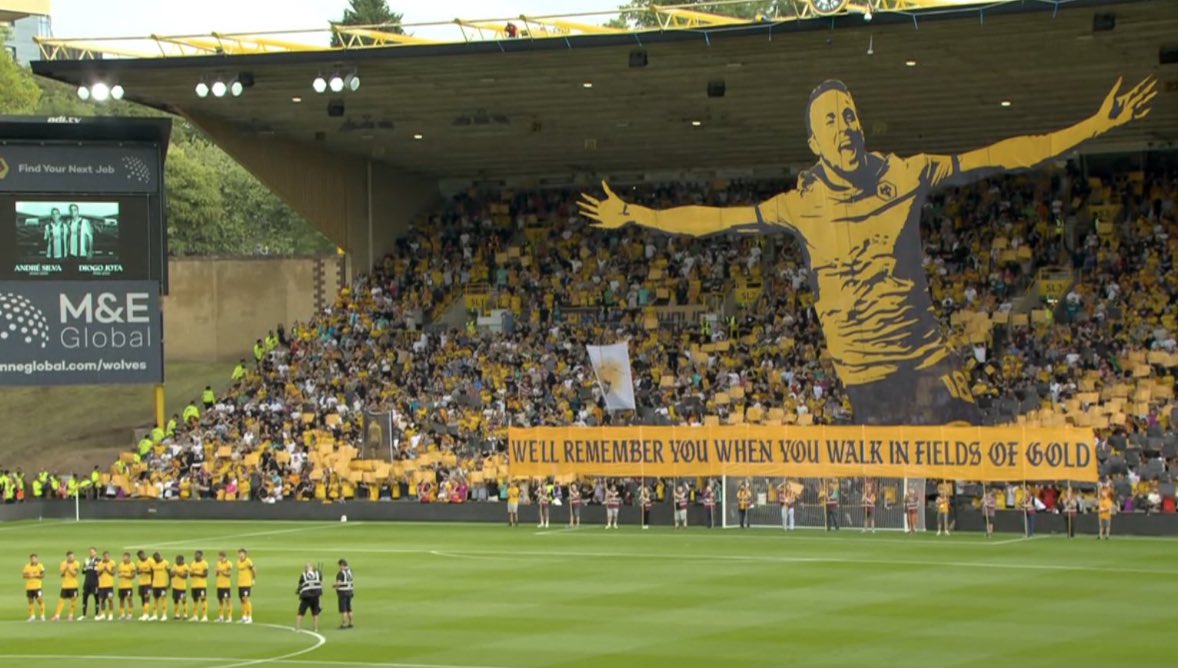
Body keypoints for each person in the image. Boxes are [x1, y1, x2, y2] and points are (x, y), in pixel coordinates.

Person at [579, 76, 1156, 426]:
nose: (845, 126)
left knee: (964, 451)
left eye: (849, 114)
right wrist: (635, 213)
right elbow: (713, 220)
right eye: (831, 120)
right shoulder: (799, 205)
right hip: (864, 377)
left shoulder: (906, 174)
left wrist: (1093, 127)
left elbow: (1000, 155)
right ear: (815, 142)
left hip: (925, 361)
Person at [51, 550, 80, 622]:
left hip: (74, 586)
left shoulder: (76, 563)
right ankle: (57, 616)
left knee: (73, 601)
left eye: (72, 556)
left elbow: (75, 574)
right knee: (61, 601)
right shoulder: (63, 563)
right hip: (65, 585)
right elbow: (61, 575)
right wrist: (65, 569)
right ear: (67, 557)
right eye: (70, 557)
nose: (71, 558)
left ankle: (70, 615)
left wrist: (69, 568)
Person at [295, 562, 323, 633]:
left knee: (301, 612)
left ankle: (298, 628)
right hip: (316, 596)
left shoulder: (304, 575)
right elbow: (320, 581)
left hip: (306, 596)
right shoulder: (317, 574)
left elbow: (301, 584)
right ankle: (316, 628)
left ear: (306, 568)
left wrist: (298, 591)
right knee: (315, 613)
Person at [22, 553, 46, 622]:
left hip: (37, 587)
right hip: (29, 587)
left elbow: (43, 575)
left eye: (35, 558)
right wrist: (28, 576)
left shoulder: (40, 566)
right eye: (32, 559)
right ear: (30, 559)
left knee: (39, 600)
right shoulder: (27, 566)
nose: (33, 560)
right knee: (30, 601)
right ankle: (32, 616)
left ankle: (42, 615)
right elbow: (23, 575)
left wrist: (35, 575)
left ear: (37, 559)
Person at [332, 559, 354, 629]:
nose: (339, 567)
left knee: (343, 609)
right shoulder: (350, 571)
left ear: (342, 565)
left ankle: (344, 624)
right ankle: (351, 623)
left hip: (343, 592)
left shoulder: (341, 573)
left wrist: (334, 585)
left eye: (339, 565)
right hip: (350, 591)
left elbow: (338, 583)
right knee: (349, 608)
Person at [79, 547, 99, 621]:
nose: (91, 553)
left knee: (96, 598)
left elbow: (99, 571)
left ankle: (96, 615)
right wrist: (86, 566)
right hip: (87, 582)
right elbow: (83, 572)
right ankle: (84, 615)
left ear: (95, 552)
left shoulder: (99, 561)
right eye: (90, 552)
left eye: (92, 552)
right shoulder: (87, 561)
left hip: (95, 583)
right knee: (84, 598)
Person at [190, 550, 210, 622]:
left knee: (203, 600)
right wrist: (195, 573)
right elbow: (191, 574)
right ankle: (195, 616)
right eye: (195, 555)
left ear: (201, 556)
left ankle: (205, 616)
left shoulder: (204, 563)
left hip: (201, 585)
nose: (196, 556)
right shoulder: (193, 563)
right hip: (194, 585)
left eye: (197, 555)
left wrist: (195, 573)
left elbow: (205, 575)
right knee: (195, 600)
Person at [237, 548, 256, 624]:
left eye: (242, 554)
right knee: (242, 600)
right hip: (240, 584)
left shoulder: (248, 561)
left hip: (246, 583)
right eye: (239, 554)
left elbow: (253, 569)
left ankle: (250, 617)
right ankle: (244, 616)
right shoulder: (238, 562)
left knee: (246, 599)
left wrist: (253, 579)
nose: (240, 555)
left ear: (245, 554)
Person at [214, 551, 234, 623]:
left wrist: (221, 571)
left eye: (220, 556)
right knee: (220, 601)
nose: (219, 557)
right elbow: (216, 575)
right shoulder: (218, 563)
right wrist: (216, 571)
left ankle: (229, 617)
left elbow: (229, 574)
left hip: (226, 585)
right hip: (219, 585)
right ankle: (221, 617)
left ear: (223, 556)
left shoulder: (229, 564)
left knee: (228, 601)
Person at [96, 550, 116, 620]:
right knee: (102, 600)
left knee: (110, 599)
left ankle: (111, 614)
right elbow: (97, 574)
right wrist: (102, 570)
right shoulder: (100, 563)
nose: (106, 557)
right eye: (105, 556)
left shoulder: (112, 563)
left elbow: (113, 573)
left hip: (109, 585)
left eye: (107, 556)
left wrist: (107, 569)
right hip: (101, 585)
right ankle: (103, 614)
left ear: (109, 556)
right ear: (103, 557)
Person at [116, 552, 136, 621]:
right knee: (121, 600)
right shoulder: (120, 564)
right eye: (124, 557)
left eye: (126, 557)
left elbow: (133, 576)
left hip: (128, 586)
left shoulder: (132, 565)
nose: (124, 558)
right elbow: (119, 574)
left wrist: (124, 575)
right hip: (121, 586)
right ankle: (122, 614)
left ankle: (130, 614)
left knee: (129, 599)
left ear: (129, 558)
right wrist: (119, 575)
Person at [135, 550, 154, 621]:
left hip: (148, 583)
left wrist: (152, 582)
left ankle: (146, 614)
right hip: (141, 583)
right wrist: (138, 571)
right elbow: (137, 571)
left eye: (140, 556)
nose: (140, 558)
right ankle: (145, 614)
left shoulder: (150, 561)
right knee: (142, 599)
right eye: (139, 557)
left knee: (147, 598)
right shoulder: (138, 562)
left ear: (143, 554)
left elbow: (153, 571)